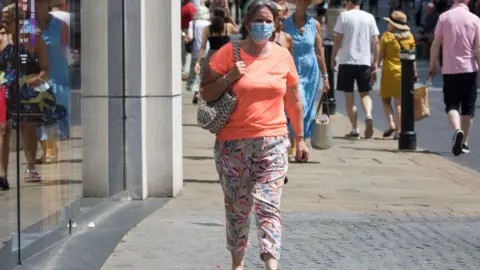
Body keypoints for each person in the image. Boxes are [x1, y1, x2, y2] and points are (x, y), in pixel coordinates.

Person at [200, 1, 308, 269]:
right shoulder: (228, 53)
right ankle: (238, 263)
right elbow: (206, 92)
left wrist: (300, 138)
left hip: (273, 142)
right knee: (238, 208)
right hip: (232, 145)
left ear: (275, 25)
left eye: (269, 21)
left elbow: (293, 101)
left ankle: (271, 264)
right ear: (248, 24)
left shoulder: (283, 56)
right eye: (259, 20)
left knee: (268, 206)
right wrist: (229, 77)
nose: (264, 25)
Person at [0, 4, 50, 187]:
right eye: (3, 17)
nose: (3, 20)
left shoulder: (34, 40)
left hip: (26, 88)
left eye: (7, 17)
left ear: (17, 19)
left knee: (27, 127)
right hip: (5, 89)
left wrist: (38, 79)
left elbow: (45, 68)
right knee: (4, 130)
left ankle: (30, 166)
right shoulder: (2, 40)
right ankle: (3, 174)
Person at [428, 0, 480, 156]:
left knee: (451, 104)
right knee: (468, 106)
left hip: (450, 69)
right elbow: (478, 48)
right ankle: (464, 143)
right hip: (469, 68)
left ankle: (457, 130)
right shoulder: (475, 20)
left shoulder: (444, 17)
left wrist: (433, 65)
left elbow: (436, 43)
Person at [283, 0, 329, 161]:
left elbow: (319, 52)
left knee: (306, 107)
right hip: (291, 71)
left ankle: (296, 143)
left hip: (311, 73)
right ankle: (294, 141)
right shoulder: (284, 24)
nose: (303, 2)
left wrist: (325, 76)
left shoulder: (314, 24)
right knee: (297, 105)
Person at [331, 0, 379, 139]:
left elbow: (338, 39)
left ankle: (355, 129)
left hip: (347, 61)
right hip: (364, 61)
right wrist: (375, 62)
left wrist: (333, 57)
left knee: (349, 96)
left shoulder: (344, 16)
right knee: (365, 94)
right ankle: (368, 115)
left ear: (349, 2)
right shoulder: (369, 17)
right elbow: (376, 41)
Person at [35, 0, 71, 163]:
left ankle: (51, 150)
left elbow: (69, 46)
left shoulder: (61, 25)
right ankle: (46, 151)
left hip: (58, 76)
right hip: (39, 75)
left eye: (40, 3)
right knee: (39, 115)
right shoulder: (29, 27)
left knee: (53, 114)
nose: (36, 6)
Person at [376, 11, 417, 139]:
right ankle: (399, 131)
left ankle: (391, 123)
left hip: (389, 72)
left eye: (389, 23)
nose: (388, 24)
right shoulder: (410, 37)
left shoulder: (387, 36)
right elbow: (412, 57)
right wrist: (414, 72)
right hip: (403, 74)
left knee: (385, 99)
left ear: (393, 25)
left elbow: (380, 55)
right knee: (399, 103)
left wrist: (374, 67)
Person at [195, 6, 238, 103]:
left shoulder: (207, 29)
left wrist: (198, 62)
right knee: (228, 82)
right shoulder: (228, 27)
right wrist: (230, 17)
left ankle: (210, 101)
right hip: (227, 58)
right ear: (224, 16)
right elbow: (237, 31)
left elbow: (203, 47)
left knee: (211, 83)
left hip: (212, 57)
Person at [186, 6, 211, 104]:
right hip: (207, 50)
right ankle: (204, 95)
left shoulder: (192, 23)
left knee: (196, 73)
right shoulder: (209, 23)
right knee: (205, 73)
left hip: (196, 51)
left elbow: (190, 37)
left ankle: (196, 94)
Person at [182, 0, 197, 81]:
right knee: (188, 52)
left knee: (184, 52)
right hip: (189, 31)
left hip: (183, 30)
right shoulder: (193, 8)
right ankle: (186, 71)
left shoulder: (182, 8)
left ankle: (184, 70)